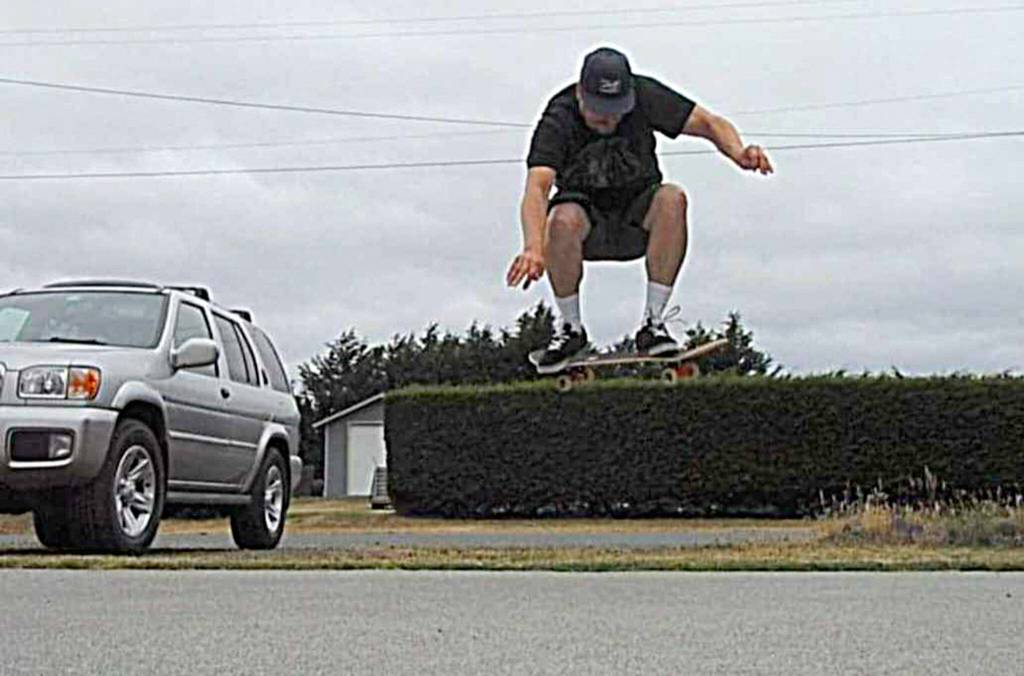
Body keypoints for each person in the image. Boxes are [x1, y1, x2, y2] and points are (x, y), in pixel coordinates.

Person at [506, 46, 773, 373]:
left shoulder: (645, 95)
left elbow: (708, 122)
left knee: (672, 198)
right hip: (586, 229)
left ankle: (653, 324)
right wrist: (533, 247)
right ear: (580, 94)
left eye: (616, 112)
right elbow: (537, 187)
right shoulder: (558, 118)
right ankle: (571, 329)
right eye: (599, 113)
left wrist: (738, 152)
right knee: (561, 218)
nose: (609, 120)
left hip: (637, 220)